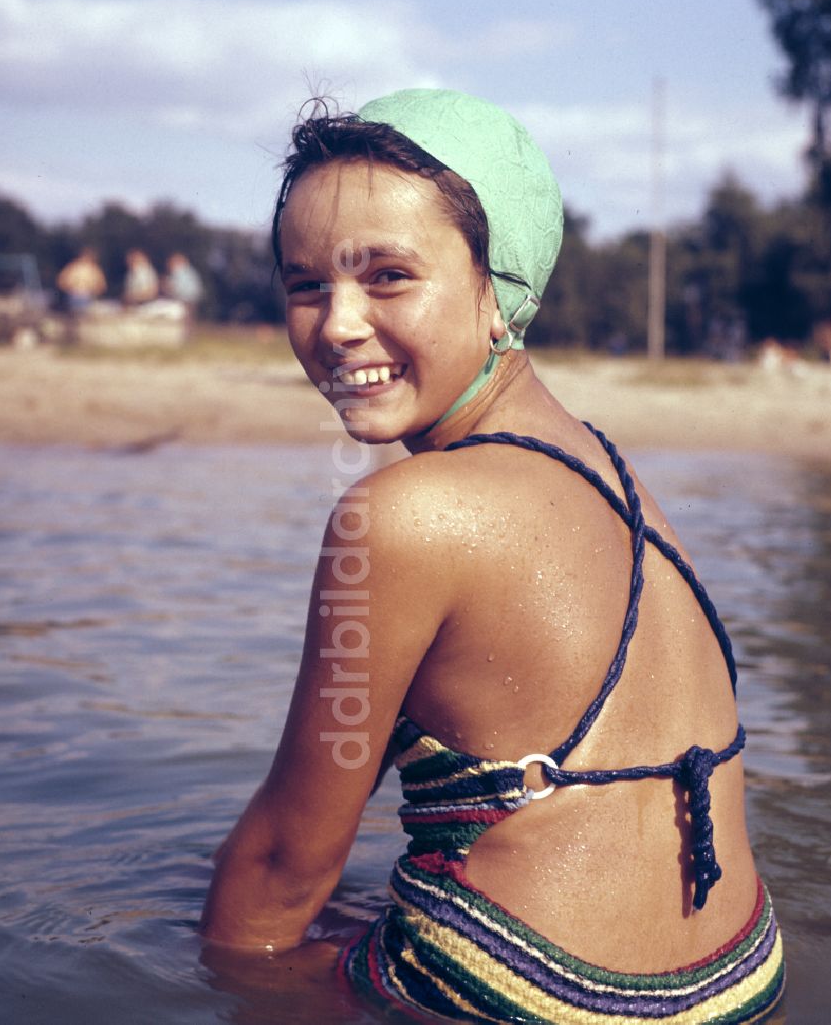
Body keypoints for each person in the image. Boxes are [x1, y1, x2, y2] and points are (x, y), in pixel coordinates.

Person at [201, 90, 784, 1023]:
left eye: (387, 276)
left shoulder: (398, 517)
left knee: (206, 937)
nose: (337, 323)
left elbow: (284, 865)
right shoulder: (617, 476)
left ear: (499, 288)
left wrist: (210, 974)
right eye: (305, 283)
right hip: (742, 980)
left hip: (534, 992)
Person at [56, 247, 106, 314]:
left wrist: (93, 290)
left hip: (87, 297)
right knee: (76, 316)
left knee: (85, 316)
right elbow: (61, 281)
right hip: (74, 296)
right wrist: (71, 288)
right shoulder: (73, 267)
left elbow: (102, 285)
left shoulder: (94, 269)